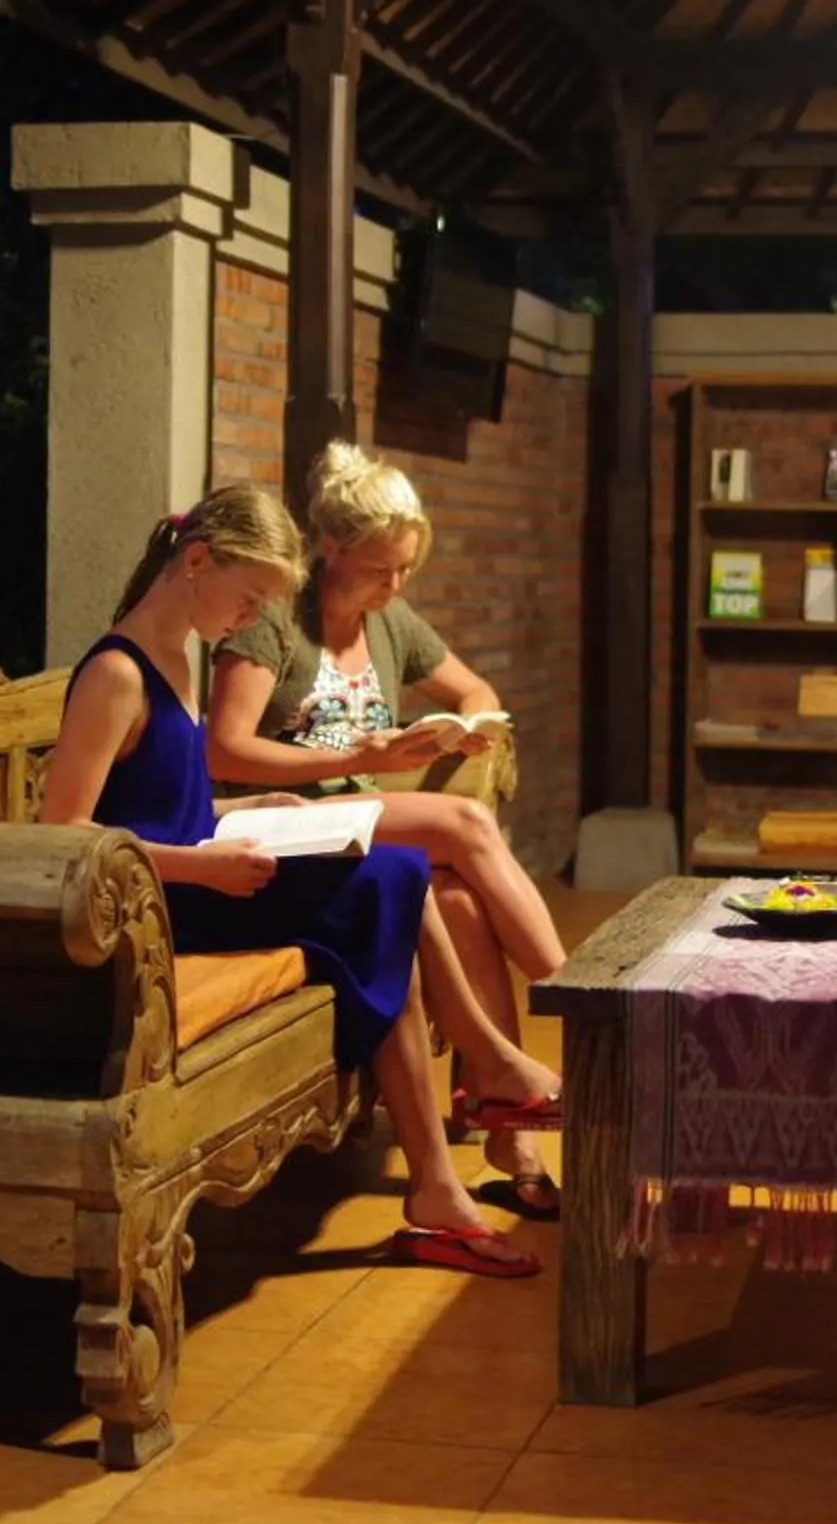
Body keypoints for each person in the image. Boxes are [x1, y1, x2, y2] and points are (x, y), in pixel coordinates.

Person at [42, 484, 553, 1277]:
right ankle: (477, 1092)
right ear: (197, 561)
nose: (250, 620)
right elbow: (66, 835)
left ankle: (445, 1171)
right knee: (392, 880)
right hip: (163, 905)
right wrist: (200, 863)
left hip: (202, 877)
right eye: (247, 599)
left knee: (391, 878)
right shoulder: (117, 672)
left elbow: (162, 799)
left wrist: (246, 805)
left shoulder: (177, 657)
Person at [209, 444, 571, 1216]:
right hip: (285, 826)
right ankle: (585, 1001)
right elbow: (225, 748)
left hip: (360, 816)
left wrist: (465, 727)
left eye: (406, 568)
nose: (396, 584)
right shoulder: (275, 620)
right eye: (381, 569)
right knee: (468, 822)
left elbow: (474, 686)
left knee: (465, 908)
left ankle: (511, 1137)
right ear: (330, 547)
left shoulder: (388, 619)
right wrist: (358, 752)